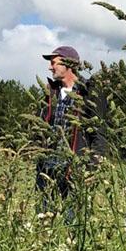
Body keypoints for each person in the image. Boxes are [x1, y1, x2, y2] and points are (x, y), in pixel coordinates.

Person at [36, 44, 109, 204]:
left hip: (75, 165)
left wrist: (96, 161)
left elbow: (99, 130)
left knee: (72, 217)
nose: (50, 67)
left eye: (54, 62)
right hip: (48, 165)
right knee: (43, 216)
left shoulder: (88, 91)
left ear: (68, 64)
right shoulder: (50, 92)